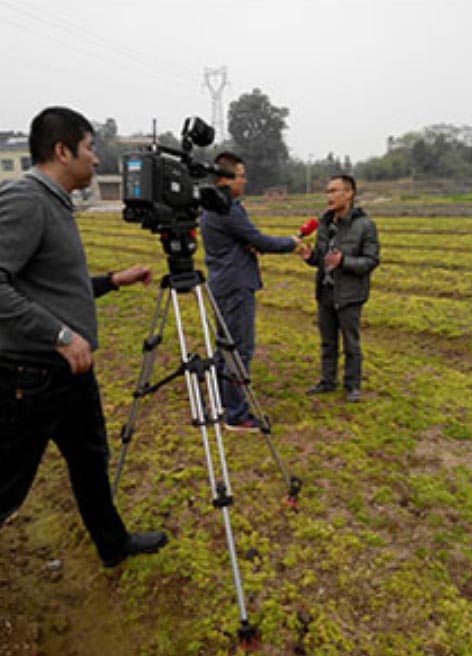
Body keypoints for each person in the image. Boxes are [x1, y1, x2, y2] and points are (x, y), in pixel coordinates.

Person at [0, 106, 167, 567]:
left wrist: (115, 279)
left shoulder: (54, 202)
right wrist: (58, 334)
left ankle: (113, 545)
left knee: (91, 462)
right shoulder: (26, 200)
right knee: (7, 484)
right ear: (62, 150)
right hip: (30, 377)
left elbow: (51, 285)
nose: (95, 159)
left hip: (69, 373)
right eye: (90, 148)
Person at [200, 152, 300, 431]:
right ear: (225, 178)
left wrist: (244, 245)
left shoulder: (212, 206)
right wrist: (291, 243)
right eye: (241, 175)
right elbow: (259, 240)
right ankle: (236, 414)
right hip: (235, 286)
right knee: (239, 350)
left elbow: (241, 240)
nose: (245, 180)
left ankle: (222, 403)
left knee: (224, 347)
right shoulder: (226, 208)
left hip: (221, 282)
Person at [300, 174, 379, 403]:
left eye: (334, 191)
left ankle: (352, 385)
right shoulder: (324, 224)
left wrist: (344, 261)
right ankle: (327, 381)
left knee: (351, 343)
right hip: (325, 292)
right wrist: (310, 256)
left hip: (350, 294)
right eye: (328, 191)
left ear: (349, 193)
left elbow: (371, 261)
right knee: (327, 341)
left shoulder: (365, 226)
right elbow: (322, 258)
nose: (329, 196)